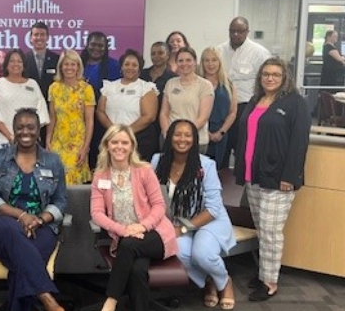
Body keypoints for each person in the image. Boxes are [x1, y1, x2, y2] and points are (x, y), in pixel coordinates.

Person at [234, 57, 310, 302]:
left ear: (284, 77)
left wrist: (290, 175)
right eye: (266, 74)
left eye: (275, 74)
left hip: (278, 179)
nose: (270, 78)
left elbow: (299, 143)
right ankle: (264, 273)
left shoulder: (295, 103)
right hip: (254, 175)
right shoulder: (256, 100)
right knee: (262, 228)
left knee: (271, 231)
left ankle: (270, 282)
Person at [0, 108, 67, 311]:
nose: (25, 132)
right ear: (13, 130)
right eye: (20, 127)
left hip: (40, 228)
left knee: (22, 265)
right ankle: (47, 299)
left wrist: (40, 220)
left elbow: (60, 201)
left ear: (38, 130)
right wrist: (22, 216)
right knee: (13, 231)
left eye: (30, 127)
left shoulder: (53, 161)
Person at [90, 125, 178, 311]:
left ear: (131, 146)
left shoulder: (144, 170)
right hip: (126, 237)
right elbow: (96, 213)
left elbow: (159, 206)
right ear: (107, 145)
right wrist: (123, 230)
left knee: (129, 244)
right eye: (115, 142)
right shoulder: (100, 176)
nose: (119, 146)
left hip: (155, 233)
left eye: (124, 142)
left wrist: (142, 226)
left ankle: (111, 300)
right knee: (137, 271)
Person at [152, 119, 237, 310]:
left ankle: (224, 282)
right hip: (178, 220)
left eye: (188, 135)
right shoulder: (157, 160)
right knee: (179, 252)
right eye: (177, 134)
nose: (182, 139)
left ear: (195, 139)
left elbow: (214, 208)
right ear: (169, 137)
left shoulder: (205, 165)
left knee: (203, 253)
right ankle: (209, 280)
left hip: (209, 219)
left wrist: (182, 228)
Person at [217, 17, 270, 169]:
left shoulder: (259, 53)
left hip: (245, 107)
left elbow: (266, 81)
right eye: (232, 31)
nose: (235, 35)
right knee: (222, 147)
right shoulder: (219, 50)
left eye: (240, 31)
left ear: (247, 32)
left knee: (243, 148)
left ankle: (241, 184)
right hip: (223, 106)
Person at [97, 49, 159, 161]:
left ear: (139, 68)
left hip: (139, 139)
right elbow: (100, 111)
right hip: (112, 138)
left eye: (134, 65)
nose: (130, 67)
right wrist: (114, 132)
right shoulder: (109, 86)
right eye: (127, 64)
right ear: (121, 67)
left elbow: (149, 116)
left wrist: (125, 133)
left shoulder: (146, 87)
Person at [0, 49, 50, 149]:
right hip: (3, 141)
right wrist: (10, 137)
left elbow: (42, 114)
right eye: (12, 61)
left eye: (19, 61)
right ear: (6, 64)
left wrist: (26, 135)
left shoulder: (33, 84)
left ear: (24, 65)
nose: (16, 64)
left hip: (29, 143)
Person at [46, 49, 95, 185]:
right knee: (56, 177)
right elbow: (52, 117)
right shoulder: (53, 88)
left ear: (78, 67)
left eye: (73, 64)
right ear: (61, 66)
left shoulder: (86, 89)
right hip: (58, 141)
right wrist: (48, 141)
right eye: (66, 64)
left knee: (71, 178)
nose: (69, 68)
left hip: (77, 142)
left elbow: (89, 121)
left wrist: (85, 147)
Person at [159, 47, 215, 154]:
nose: (184, 64)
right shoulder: (170, 83)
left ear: (195, 62)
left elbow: (203, 118)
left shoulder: (205, 85)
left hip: (196, 141)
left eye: (188, 60)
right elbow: (164, 113)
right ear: (176, 63)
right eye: (181, 60)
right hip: (170, 140)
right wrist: (168, 134)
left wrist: (184, 136)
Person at [80, 31, 120, 169]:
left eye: (100, 45)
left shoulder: (113, 66)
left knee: (99, 154)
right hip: (79, 118)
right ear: (87, 45)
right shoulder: (79, 63)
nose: (96, 48)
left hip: (102, 118)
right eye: (93, 44)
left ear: (106, 47)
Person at [200, 47, 237, 169]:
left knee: (218, 171)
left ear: (219, 62)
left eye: (214, 60)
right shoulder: (197, 83)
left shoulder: (228, 85)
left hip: (220, 134)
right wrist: (206, 132)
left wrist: (221, 132)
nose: (210, 64)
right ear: (202, 63)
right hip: (200, 132)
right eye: (207, 60)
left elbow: (232, 112)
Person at [24, 21, 60, 101]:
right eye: (36, 35)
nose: (39, 38)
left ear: (47, 37)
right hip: (28, 104)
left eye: (42, 34)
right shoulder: (23, 59)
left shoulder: (57, 59)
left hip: (50, 104)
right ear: (31, 38)